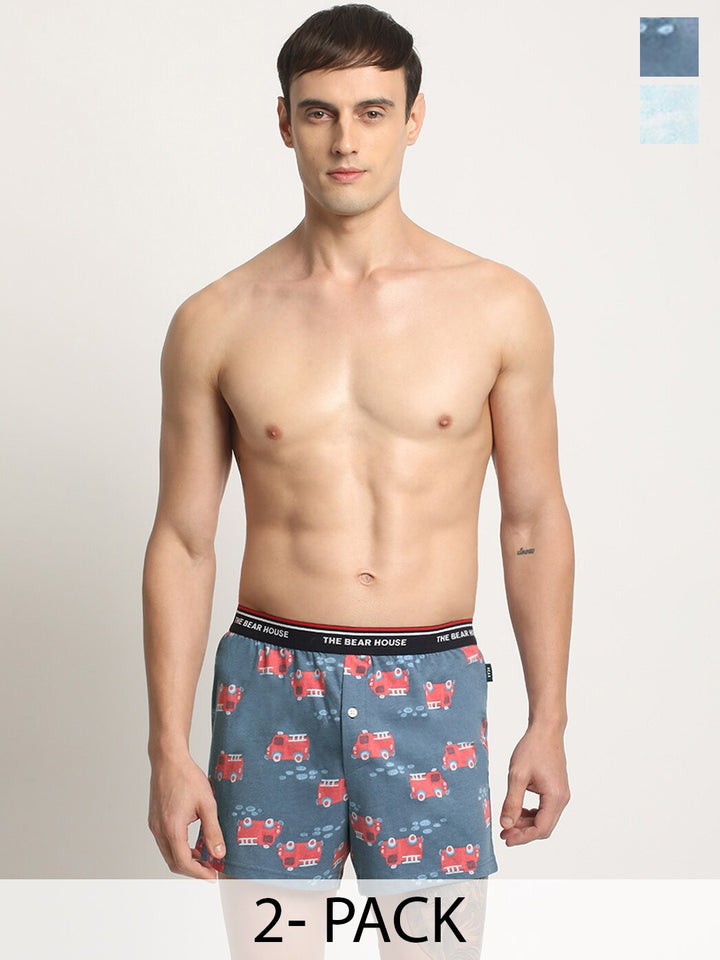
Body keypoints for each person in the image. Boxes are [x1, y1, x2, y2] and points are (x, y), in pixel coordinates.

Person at [143, 4, 573, 957]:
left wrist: (548, 719)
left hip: (431, 687)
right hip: (269, 688)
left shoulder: (497, 305)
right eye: (320, 112)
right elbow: (183, 539)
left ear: (413, 119)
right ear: (284, 121)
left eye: (373, 112)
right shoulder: (217, 318)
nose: (346, 141)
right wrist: (168, 748)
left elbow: (533, 520)